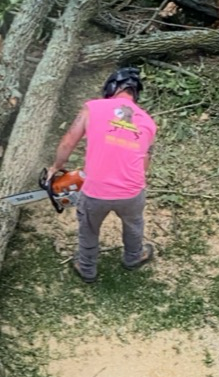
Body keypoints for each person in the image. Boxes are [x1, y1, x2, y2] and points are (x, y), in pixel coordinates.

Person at [46, 63, 156, 285]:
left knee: (88, 228)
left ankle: (87, 268)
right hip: (132, 192)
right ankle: (133, 257)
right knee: (134, 223)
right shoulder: (148, 122)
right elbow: (144, 161)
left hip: (96, 192)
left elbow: (68, 141)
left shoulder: (92, 108)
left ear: (111, 88)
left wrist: (55, 167)